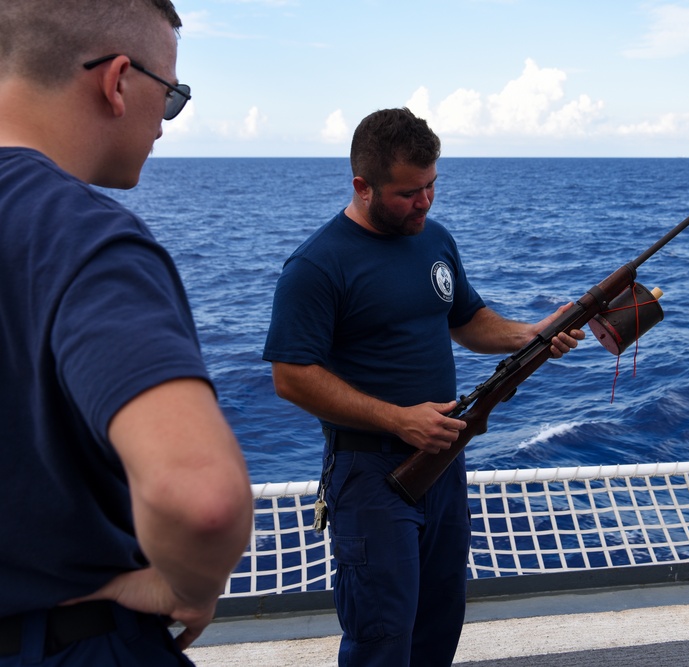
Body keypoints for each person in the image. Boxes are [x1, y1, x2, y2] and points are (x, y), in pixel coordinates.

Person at [263, 107, 583, 666]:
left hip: (442, 466)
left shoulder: (434, 239)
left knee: (439, 625)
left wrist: (529, 334)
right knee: (381, 642)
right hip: (369, 478)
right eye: (410, 192)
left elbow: (467, 318)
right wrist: (397, 418)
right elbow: (290, 376)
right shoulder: (317, 265)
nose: (426, 202)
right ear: (363, 186)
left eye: (433, 185)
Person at [0, 1, 253, 665]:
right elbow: (201, 497)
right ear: (117, 81)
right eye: (169, 97)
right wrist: (185, 585)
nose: (164, 128)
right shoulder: (79, 235)